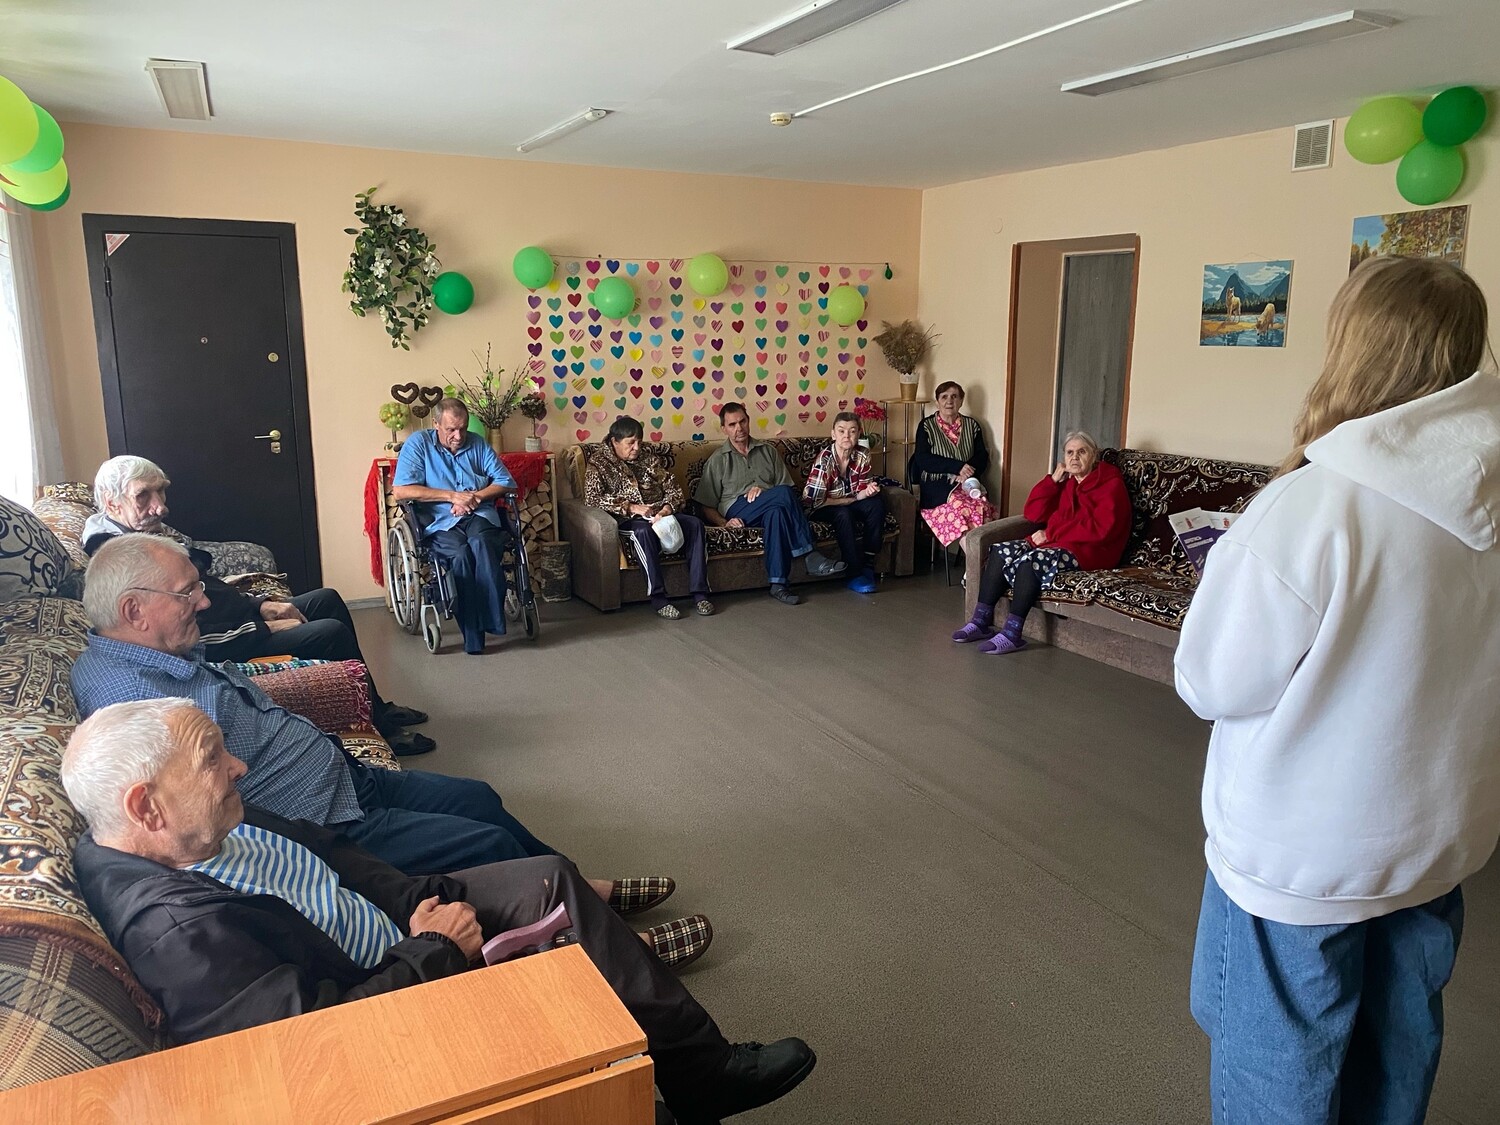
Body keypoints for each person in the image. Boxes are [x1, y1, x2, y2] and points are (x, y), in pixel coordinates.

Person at [63, 698, 816, 1125]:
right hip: (394, 994)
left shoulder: (196, 823)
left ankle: (698, 1067)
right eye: (213, 758)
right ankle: (649, 1036)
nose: (238, 766)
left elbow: (332, 851)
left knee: (551, 876)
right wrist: (433, 948)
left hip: (398, 924)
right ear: (145, 806)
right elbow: (310, 1041)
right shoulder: (179, 933)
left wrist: (411, 899)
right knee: (541, 901)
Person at [1174, 256, 1500, 1125]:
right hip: (1436, 840)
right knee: (1394, 1061)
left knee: (1278, 1071)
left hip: (1303, 862)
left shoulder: (1314, 507)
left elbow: (1211, 680)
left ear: (1354, 349)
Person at [69, 534, 702, 965]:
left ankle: (582, 893)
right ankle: (606, 948)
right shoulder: (132, 697)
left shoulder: (160, 655)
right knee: (487, 844)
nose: (203, 601)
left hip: (344, 777)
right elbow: (198, 799)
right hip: (325, 820)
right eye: (188, 593)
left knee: (478, 798)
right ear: (134, 609)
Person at [83, 455, 434, 757]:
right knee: (329, 633)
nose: (161, 506)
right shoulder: (120, 558)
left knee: (326, 599)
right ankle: (379, 727)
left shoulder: (145, 532)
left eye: (161, 491)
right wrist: (262, 627)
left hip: (237, 621)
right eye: (144, 495)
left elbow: (209, 588)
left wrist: (260, 604)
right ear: (112, 503)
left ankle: (378, 708)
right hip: (225, 642)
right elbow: (188, 634)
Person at [952, 430, 1130, 654]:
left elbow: (1100, 529)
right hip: (1059, 543)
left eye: (1082, 452)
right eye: (1070, 453)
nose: (1075, 457)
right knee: (1000, 551)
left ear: (1093, 455)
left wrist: (1050, 534)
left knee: (1031, 561)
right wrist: (1053, 481)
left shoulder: (1111, 484)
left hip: (1093, 550)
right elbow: (1033, 513)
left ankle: (1012, 633)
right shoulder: (1069, 483)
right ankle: (980, 621)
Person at [392, 399, 515, 655]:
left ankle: (492, 621)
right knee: (460, 555)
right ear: (435, 424)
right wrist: (452, 497)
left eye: (463, 429)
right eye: (451, 430)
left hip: (478, 514)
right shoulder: (419, 444)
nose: (458, 436)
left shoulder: (477, 444)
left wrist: (474, 498)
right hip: (440, 521)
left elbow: (505, 481)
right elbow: (401, 491)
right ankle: (473, 635)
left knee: (482, 544)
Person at [694, 402, 844, 606]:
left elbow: (787, 490)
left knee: (777, 513)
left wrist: (765, 493)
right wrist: (724, 523)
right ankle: (810, 555)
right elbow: (705, 505)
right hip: (737, 508)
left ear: (748, 421)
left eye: (742, 421)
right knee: (782, 494)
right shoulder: (718, 460)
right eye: (732, 424)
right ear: (724, 428)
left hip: (771, 504)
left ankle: (778, 585)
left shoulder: (768, 451)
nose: (739, 428)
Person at [585, 416, 713, 620]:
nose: (636, 448)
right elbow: (593, 498)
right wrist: (631, 507)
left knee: (695, 524)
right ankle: (659, 598)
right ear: (614, 441)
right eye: (630, 443)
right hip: (629, 519)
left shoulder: (649, 458)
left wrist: (666, 509)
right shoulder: (598, 463)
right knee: (643, 532)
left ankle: (700, 594)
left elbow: (673, 488)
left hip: (660, 513)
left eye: (639, 442)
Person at [801, 412, 885, 594]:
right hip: (820, 507)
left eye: (852, 431)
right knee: (843, 514)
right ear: (833, 434)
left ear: (859, 433)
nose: (847, 436)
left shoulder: (862, 454)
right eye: (841, 431)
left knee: (876, 504)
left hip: (849, 501)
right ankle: (853, 574)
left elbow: (860, 492)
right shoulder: (825, 460)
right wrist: (849, 500)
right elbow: (815, 501)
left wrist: (868, 491)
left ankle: (868, 563)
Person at [908, 381, 991, 512]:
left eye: (954, 396)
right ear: (937, 402)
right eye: (944, 397)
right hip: (937, 485)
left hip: (968, 482)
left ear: (961, 401)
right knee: (960, 508)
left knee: (982, 508)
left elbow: (982, 455)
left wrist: (966, 472)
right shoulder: (926, 425)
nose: (949, 401)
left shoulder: (972, 425)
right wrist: (957, 467)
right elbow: (922, 458)